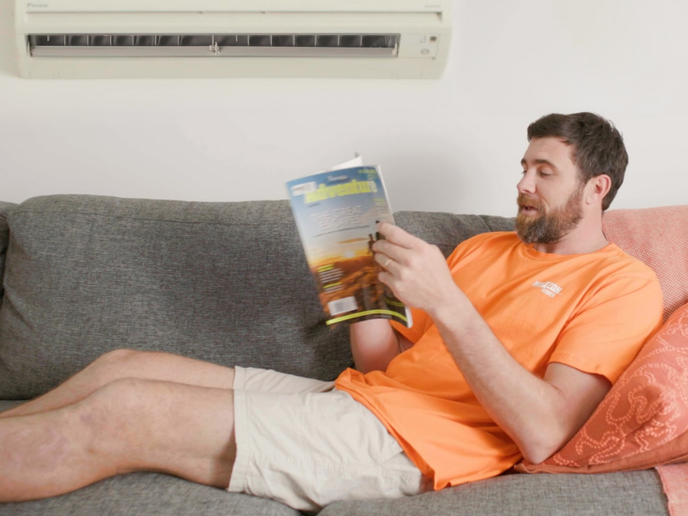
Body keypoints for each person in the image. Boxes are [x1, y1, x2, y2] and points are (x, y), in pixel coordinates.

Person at [0, 113, 663, 512]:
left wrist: (447, 302)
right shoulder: (484, 249)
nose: (521, 184)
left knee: (126, 412)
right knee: (120, 368)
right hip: (362, 400)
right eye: (523, 166)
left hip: (413, 445)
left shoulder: (622, 284)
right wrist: (351, 275)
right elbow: (383, 367)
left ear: (596, 187)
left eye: (544, 171)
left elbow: (545, 434)